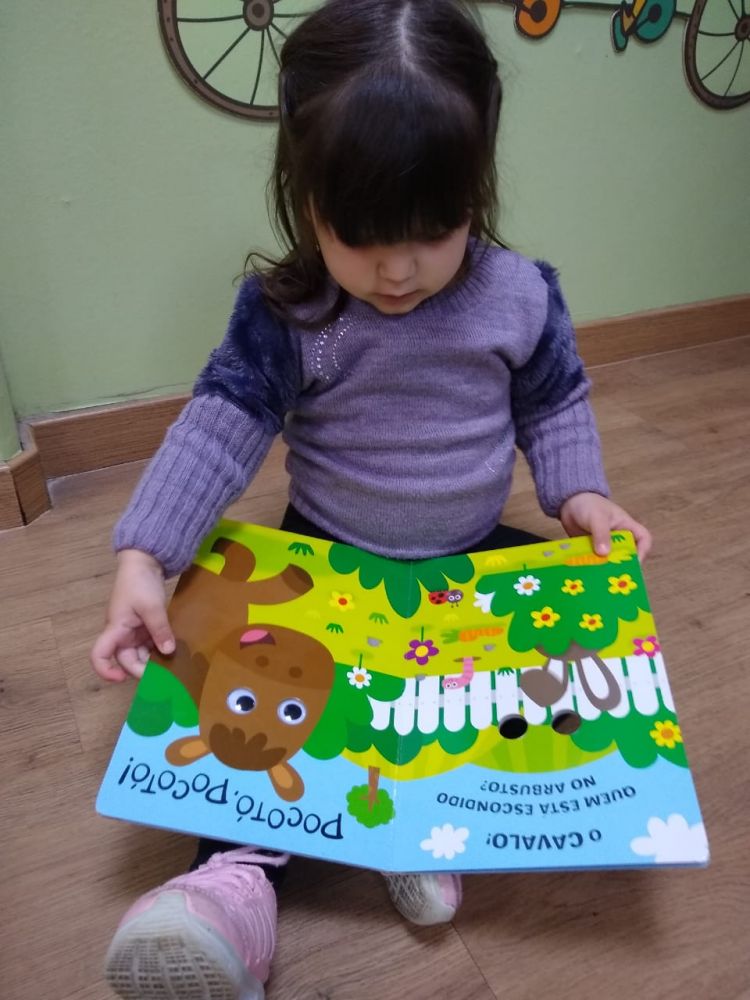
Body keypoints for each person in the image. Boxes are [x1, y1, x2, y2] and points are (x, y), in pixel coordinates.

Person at [91, 1, 652, 997]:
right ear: (305, 194)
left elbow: (556, 400)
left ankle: (419, 823)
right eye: (359, 235)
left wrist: (581, 496)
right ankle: (229, 887)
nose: (396, 270)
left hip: (466, 556)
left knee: (570, 653)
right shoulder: (295, 312)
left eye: (433, 231)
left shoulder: (521, 295)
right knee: (249, 695)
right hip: (328, 558)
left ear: (475, 182)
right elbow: (219, 425)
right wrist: (146, 554)